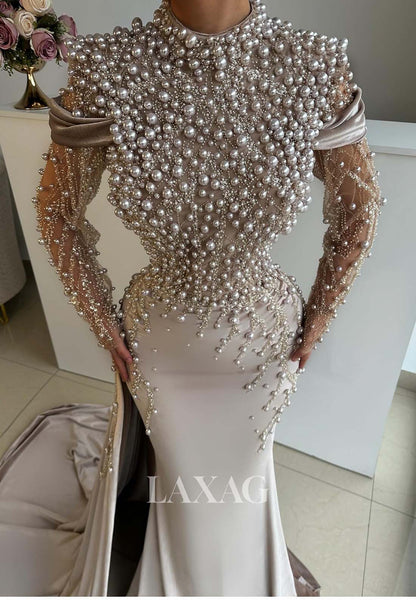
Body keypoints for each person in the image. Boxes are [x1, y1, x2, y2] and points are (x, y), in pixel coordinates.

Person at [0, 0, 384, 595]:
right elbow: (56, 212)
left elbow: (360, 208)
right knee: (182, 488)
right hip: (162, 346)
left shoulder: (312, 63)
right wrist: (101, 320)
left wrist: (318, 319)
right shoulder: (107, 66)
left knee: (239, 483)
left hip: (261, 344)